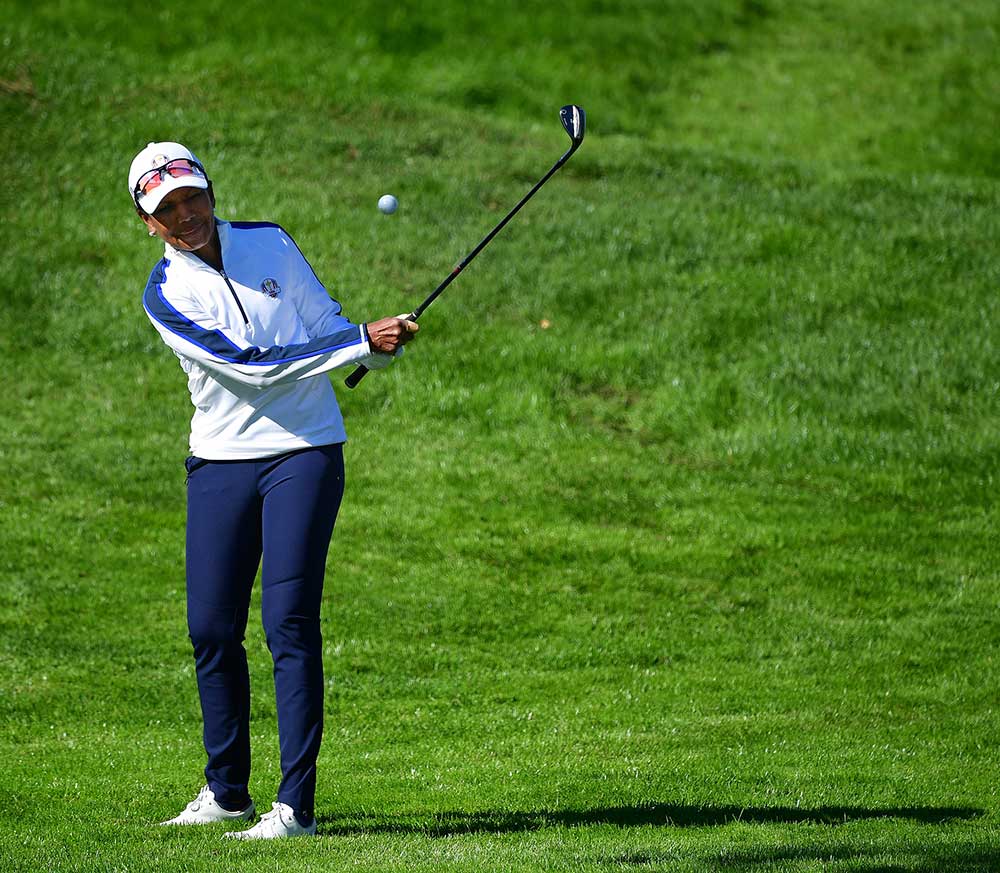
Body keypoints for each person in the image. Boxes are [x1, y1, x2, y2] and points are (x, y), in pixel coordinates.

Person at [130, 141, 418, 840]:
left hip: (306, 451)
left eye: (192, 197)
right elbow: (251, 368)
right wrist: (356, 344)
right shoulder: (165, 295)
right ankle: (227, 790)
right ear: (149, 223)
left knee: (287, 621)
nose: (186, 214)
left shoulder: (270, 242)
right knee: (210, 627)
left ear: (210, 192)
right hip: (222, 460)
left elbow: (321, 321)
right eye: (167, 208)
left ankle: (294, 807)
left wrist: (367, 339)